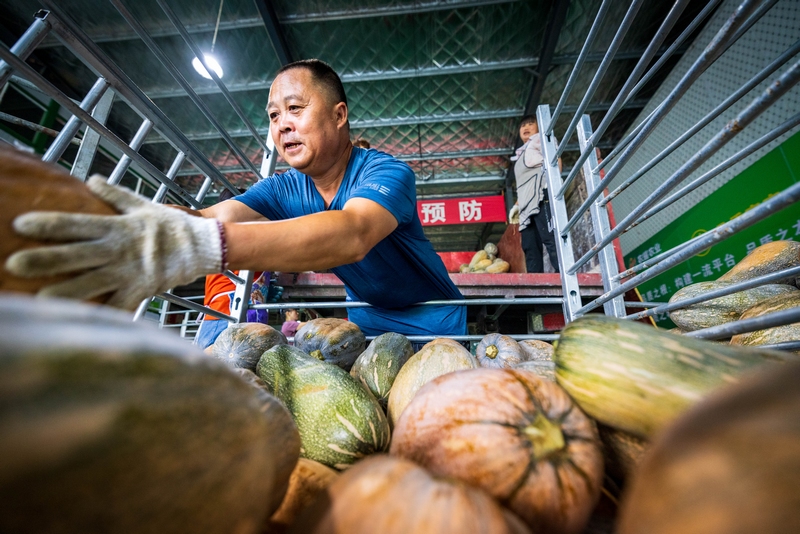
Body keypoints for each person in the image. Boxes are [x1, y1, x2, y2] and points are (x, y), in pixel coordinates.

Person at [6, 59, 466, 339]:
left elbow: (352, 234)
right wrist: (117, 218)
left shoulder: (386, 172)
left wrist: (202, 244)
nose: (281, 124)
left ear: (339, 114)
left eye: (295, 109)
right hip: (364, 322)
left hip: (434, 322)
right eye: (272, 115)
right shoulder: (285, 188)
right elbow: (206, 215)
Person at [508, 115, 560, 273]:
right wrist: (517, 205)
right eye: (523, 125)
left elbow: (555, 159)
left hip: (541, 197)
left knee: (550, 239)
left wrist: (555, 181)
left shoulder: (540, 140)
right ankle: (537, 290)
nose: (526, 127)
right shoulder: (520, 155)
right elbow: (524, 185)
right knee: (530, 247)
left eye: (531, 124)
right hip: (526, 207)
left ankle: (565, 279)